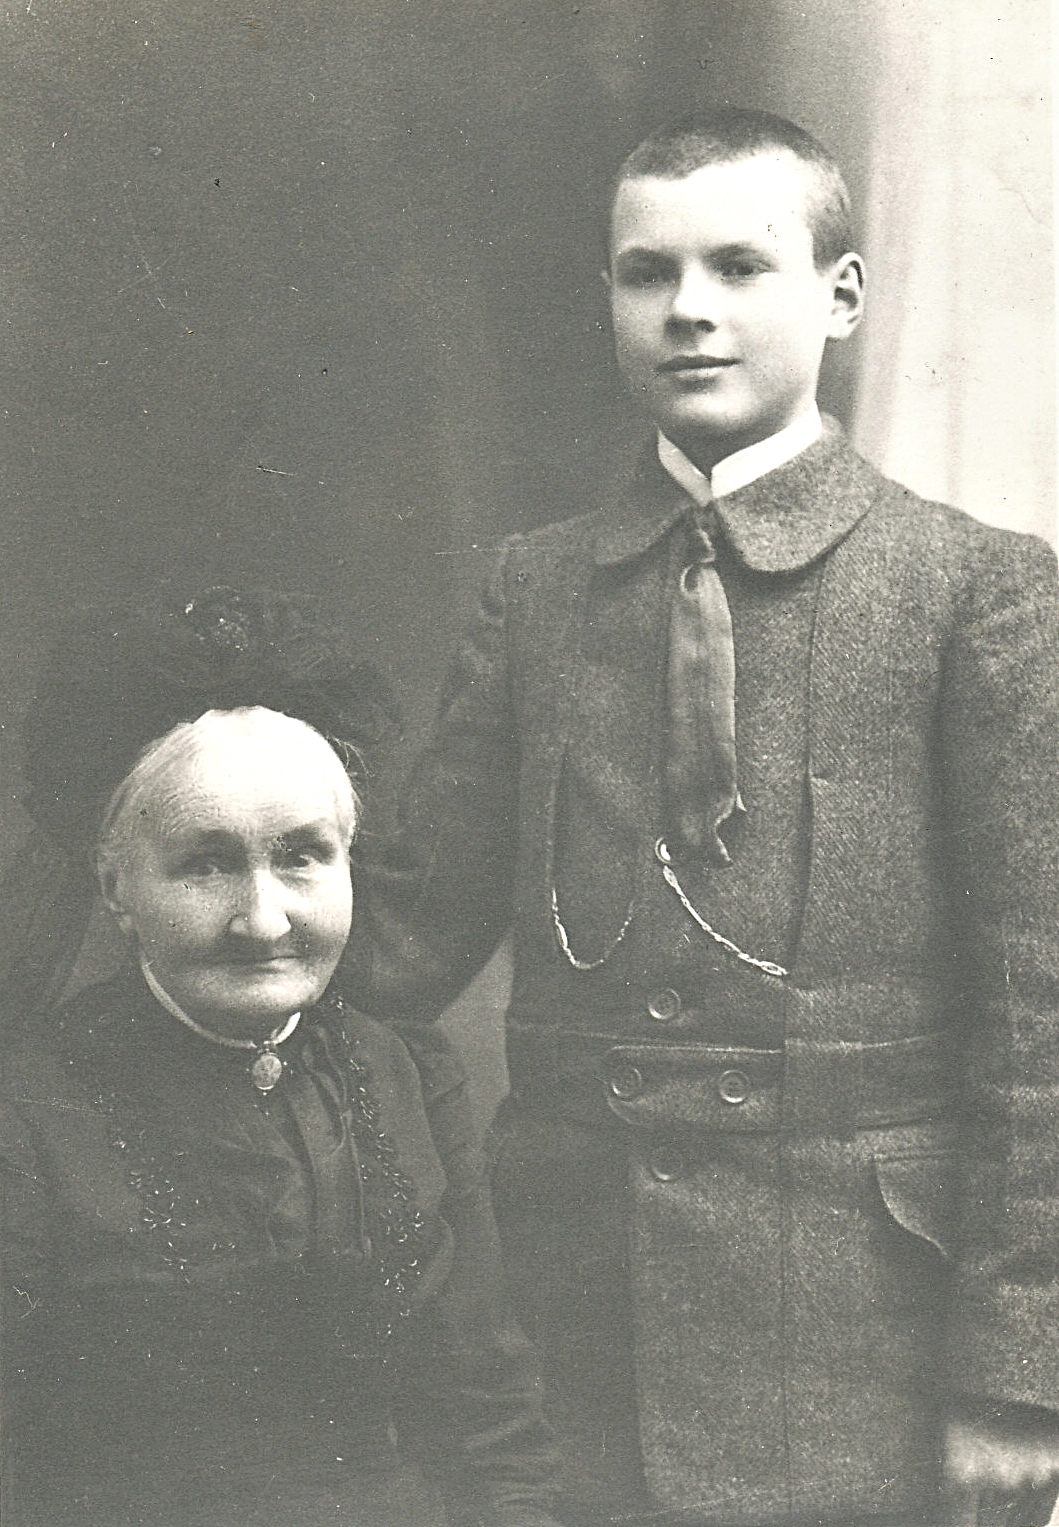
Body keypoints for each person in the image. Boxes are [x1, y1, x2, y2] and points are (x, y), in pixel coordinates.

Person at [339, 109, 1059, 1525]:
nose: (686, 310)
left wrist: (1015, 1368)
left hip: (867, 1332)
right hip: (569, 1308)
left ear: (839, 295)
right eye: (642, 272)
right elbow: (402, 943)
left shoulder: (972, 590)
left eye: (738, 265)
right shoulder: (532, 589)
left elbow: (1042, 1003)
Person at [0, 586, 561, 1527]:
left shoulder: (405, 1074)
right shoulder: (28, 1108)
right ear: (115, 884)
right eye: (204, 863)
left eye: (302, 856)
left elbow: (490, 1422)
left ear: (350, 861)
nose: (263, 920)